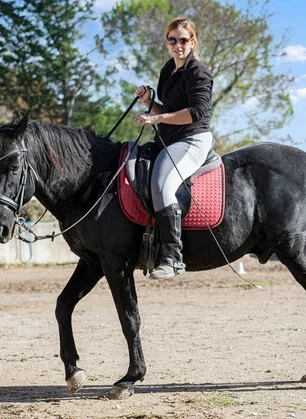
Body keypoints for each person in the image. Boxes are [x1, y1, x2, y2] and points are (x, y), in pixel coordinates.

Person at [135, 17, 214, 279]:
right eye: (172, 40)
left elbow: (196, 112)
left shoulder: (198, 72)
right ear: (167, 42)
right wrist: (149, 103)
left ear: (192, 42)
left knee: (161, 184)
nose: (178, 45)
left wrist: (157, 119)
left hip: (192, 139)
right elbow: (167, 111)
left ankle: (173, 257)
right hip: (169, 139)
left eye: (183, 40)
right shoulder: (168, 70)